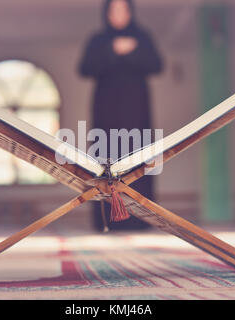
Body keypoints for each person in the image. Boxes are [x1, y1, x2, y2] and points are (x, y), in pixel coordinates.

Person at [79, 0, 163, 231]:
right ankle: (107, 222)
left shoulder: (142, 37)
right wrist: (112, 51)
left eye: (123, 9)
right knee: (106, 165)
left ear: (131, 12)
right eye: (114, 9)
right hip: (106, 118)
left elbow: (157, 65)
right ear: (106, 13)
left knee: (139, 164)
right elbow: (85, 68)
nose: (118, 14)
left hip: (137, 118)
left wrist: (133, 50)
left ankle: (141, 220)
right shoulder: (98, 40)